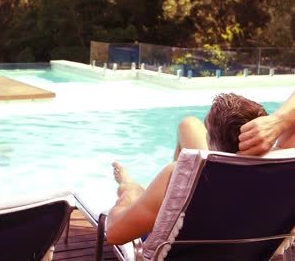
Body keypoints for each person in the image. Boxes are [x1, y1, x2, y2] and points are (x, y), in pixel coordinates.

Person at [106, 93, 269, 245]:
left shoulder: (181, 174)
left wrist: (126, 196)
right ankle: (144, 193)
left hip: (178, 245)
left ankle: (134, 189)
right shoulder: (277, 172)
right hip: (241, 247)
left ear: (209, 140)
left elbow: (114, 234)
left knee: (131, 191)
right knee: (188, 124)